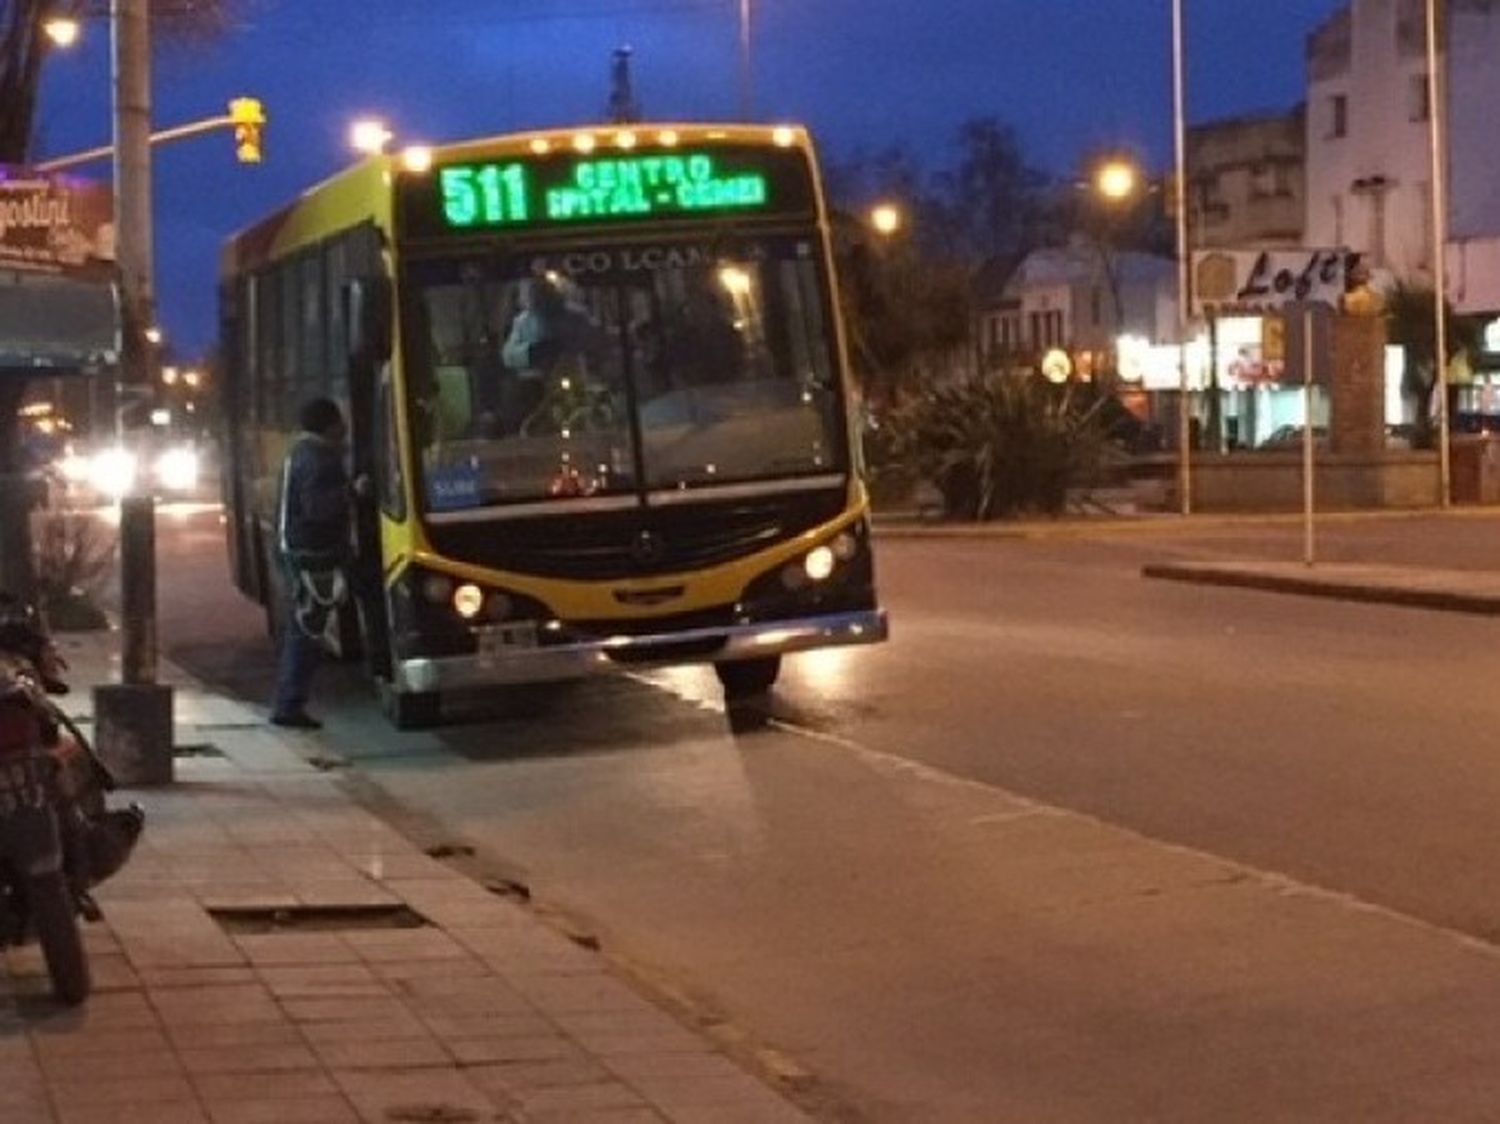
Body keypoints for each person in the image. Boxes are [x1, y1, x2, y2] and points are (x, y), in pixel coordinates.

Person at [270, 398, 364, 729]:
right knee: (307, 629)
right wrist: (351, 491)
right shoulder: (320, 459)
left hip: (298, 551)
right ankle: (289, 704)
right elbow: (317, 510)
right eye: (340, 420)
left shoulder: (299, 453)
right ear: (329, 424)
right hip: (311, 556)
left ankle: (290, 701)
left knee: (306, 628)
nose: (345, 425)